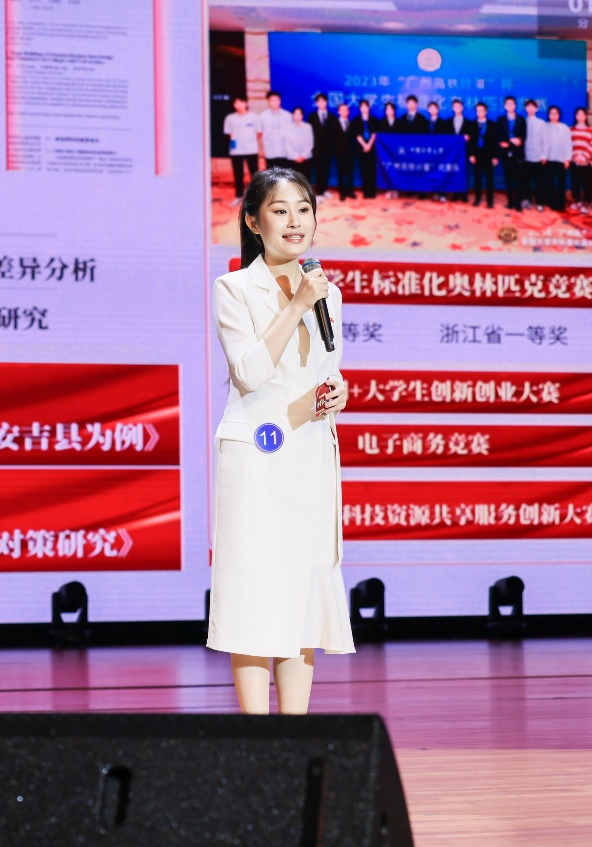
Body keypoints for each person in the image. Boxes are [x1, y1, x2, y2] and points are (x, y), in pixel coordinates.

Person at [209, 166, 354, 714]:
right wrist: (295, 305)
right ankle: (257, 738)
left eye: (304, 209)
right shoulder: (234, 288)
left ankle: (295, 733)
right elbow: (249, 372)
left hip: (310, 452)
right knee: (254, 591)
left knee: (302, 594)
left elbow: (325, 368)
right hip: (257, 458)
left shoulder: (328, 293)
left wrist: (338, 391)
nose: (295, 221)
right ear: (254, 221)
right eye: (280, 210)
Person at [223, 96, 259, 201]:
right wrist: (236, 144)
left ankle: (256, 196)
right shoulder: (230, 118)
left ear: (245, 103)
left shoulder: (254, 118)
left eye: (240, 102)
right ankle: (238, 196)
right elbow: (229, 133)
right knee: (238, 174)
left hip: (251, 150)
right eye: (236, 103)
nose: (238, 105)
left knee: (254, 173)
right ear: (234, 105)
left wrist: (249, 141)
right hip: (236, 151)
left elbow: (259, 133)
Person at [495, 95, 526, 211]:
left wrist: (520, 140)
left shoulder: (521, 119)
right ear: (504, 106)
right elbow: (498, 135)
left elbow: (524, 135)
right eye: (507, 104)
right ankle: (510, 202)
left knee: (518, 179)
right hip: (505, 152)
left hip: (518, 153)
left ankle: (518, 204)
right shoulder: (501, 120)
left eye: (512, 104)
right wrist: (502, 143)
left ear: (515, 105)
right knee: (508, 179)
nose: (510, 106)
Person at [467, 101, 498, 208]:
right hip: (476, 155)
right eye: (478, 110)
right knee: (477, 178)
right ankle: (478, 199)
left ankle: (490, 201)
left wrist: (495, 156)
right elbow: (470, 142)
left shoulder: (492, 125)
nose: (479, 112)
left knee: (489, 179)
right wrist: (471, 155)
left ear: (486, 111)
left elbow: (495, 142)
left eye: (482, 110)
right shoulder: (472, 124)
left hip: (489, 155)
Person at [307, 93, 338, 197]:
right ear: (316, 103)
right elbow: (309, 134)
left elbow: (334, 135)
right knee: (318, 170)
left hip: (328, 149)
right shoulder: (312, 117)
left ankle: (324, 189)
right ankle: (319, 191)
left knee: (326, 169)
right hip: (316, 149)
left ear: (326, 102)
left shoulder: (332, 117)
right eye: (319, 101)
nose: (321, 103)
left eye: (323, 101)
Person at [543, 105, 572, 212]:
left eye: (555, 114)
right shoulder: (545, 127)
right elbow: (543, 143)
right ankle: (550, 201)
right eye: (551, 113)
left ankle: (560, 203)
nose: (553, 116)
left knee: (561, 182)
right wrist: (543, 156)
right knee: (549, 181)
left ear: (559, 115)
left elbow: (568, 144)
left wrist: (567, 158)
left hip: (561, 159)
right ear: (549, 115)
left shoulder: (564, 127)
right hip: (548, 158)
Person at [569, 107, 592, 211]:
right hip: (575, 161)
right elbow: (568, 145)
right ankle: (577, 201)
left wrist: (584, 157)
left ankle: (586, 203)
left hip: (587, 161)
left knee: (588, 183)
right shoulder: (570, 130)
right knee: (575, 182)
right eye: (578, 114)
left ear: (586, 116)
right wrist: (576, 157)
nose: (580, 116)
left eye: (582, 114)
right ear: (575, 116)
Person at [522, 99, 547, 211]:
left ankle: (540, 202)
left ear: (537, 109)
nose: (530, 109)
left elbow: (545, 141)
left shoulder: (541, 123)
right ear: (525, 108)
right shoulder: (522, 122)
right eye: (528, 106)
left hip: (538, 157)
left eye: (533, 107)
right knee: (525, 181)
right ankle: (527, 200)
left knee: (539, 182)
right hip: (525, 157)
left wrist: (544, 155)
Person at [259, 91, 293, 170]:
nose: (274, 102)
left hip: (285, 152)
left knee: (285, 175)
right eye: (272, 100)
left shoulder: (287, 115)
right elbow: (260, 134)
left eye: (276, 100)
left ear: (280, 101)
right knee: (271, 175)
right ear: (268, 101)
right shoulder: (262, 116)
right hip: (270, 152)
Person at [449, 99, 474, 203]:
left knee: (464, 172)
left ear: (462, 108)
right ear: (452, 108)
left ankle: (464, 194)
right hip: (452, 153)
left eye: (459, 106)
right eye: (455, 107)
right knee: (453, 172)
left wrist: (468, 138)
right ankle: (455, 194)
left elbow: (473, 138)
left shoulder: (469, 122)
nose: (457, 108)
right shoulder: (448, 122)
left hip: (464, 151)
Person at [353, 99, 378, 200]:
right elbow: (357, 135)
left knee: (372, 170)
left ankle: (372, 192)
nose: (364, 108)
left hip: (372, 148)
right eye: (362, 107)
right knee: (364, 170)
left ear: (369, 108)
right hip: (361, 149)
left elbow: (374, 134)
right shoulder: (356, 120)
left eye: (366, 106)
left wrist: (369, 145)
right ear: (360, 108)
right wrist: (364, 145)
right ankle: (366, 192)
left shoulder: (373, 120)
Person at [286, 107, 314, 179]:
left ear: (302, 115)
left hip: (306, 158)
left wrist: (303, 156)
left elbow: (310, 143)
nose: (297, 116)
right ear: (293, 115)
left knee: (305, 179)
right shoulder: (288, 127)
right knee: (294, 180)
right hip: (292, 158)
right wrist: (296, 156)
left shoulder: (308, 127)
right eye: (295, 114)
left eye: (299, 114)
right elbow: (287, 143)